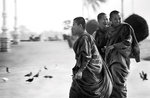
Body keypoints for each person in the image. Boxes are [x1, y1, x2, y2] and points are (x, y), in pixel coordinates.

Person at [69, 17, 112, 98]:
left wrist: (80, 71)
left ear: (80, 26)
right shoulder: (87, 37)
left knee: (76, 93)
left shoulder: (84, 38)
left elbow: (86, 56)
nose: (72, 27)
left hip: (88, 73)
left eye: (74, 25)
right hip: (90, 72)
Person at [105, 10, 140, 98]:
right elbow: (107, 42)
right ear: (110, 20)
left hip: (120, 59)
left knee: (118, 81)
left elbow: (128, 42)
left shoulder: (125, 27)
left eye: (119, 18)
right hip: (109, 58)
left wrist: (114, 46)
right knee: (110, 81)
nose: (118, 20)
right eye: (115, 19)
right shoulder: (109, 29)